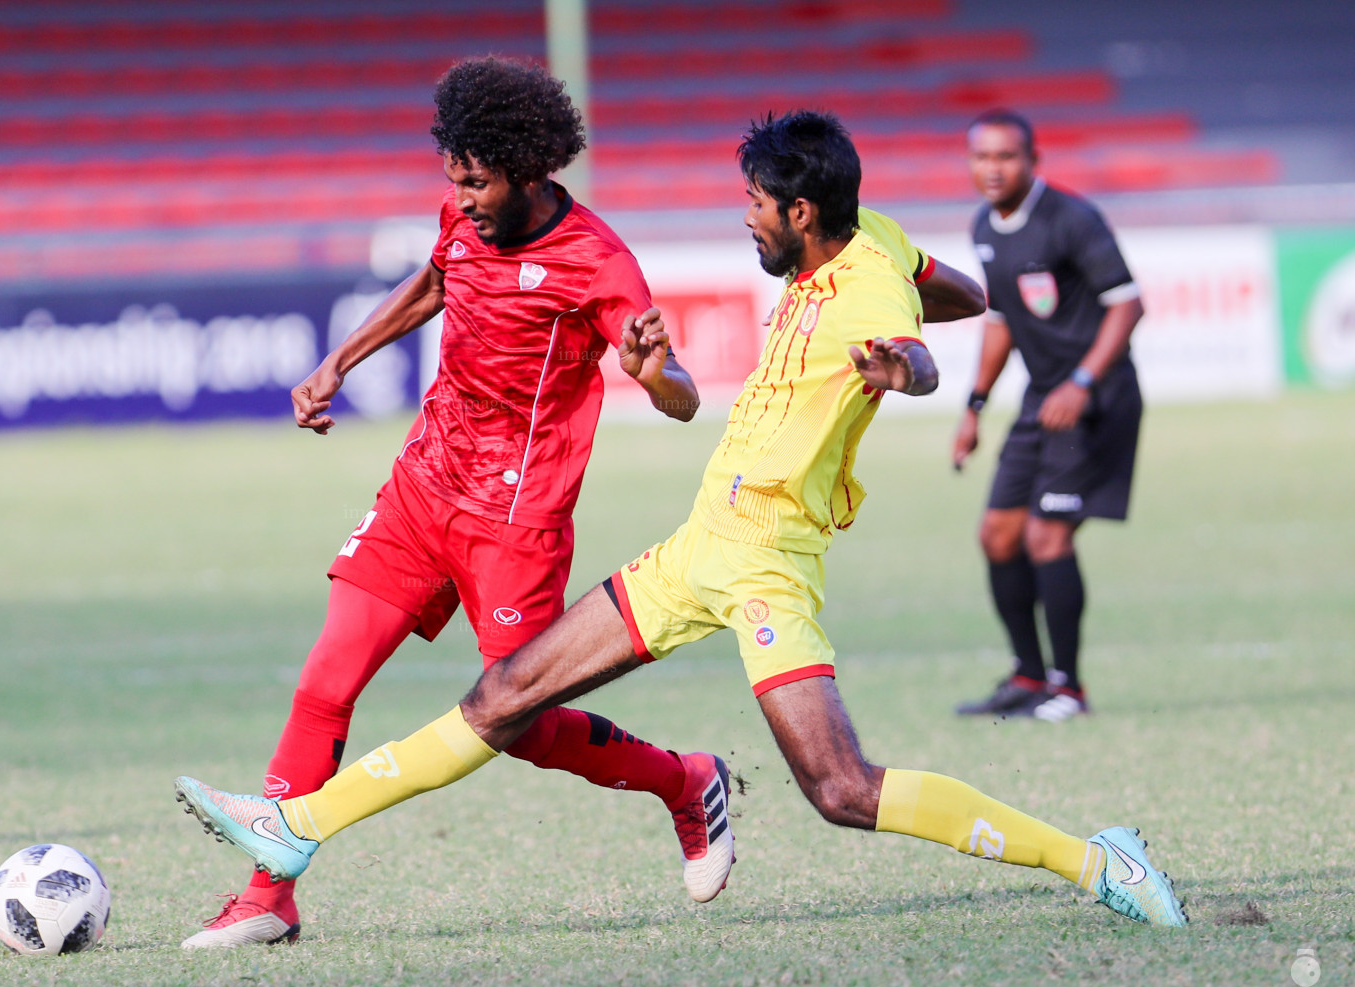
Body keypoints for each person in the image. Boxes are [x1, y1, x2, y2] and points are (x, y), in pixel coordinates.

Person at [174, 110, 1187, 930]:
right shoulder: (874, 236)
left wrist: (907, 366)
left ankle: (1092, 858)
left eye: (752, 205)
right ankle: (296, 828)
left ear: (797, 209)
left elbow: (906, 341)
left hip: (764, 565)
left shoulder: (864, 283)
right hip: (698, 543)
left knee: (839, 788)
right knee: (504, 693)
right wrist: (942, 313)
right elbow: (949, 288)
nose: (741, 220)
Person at [179, 56, 733, 949]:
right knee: (327, 679)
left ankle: (684, 781)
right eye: (453, 178)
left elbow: (682, 395)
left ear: (529, 168)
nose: (462, 197)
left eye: (476, 182)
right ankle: (265, 897)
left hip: (515, 521)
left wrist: (651, 370)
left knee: (518, 724)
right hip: (421, 487)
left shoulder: (596, 261)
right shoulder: (459, 216)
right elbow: (437, 281)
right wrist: (338, 362)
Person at [951, 110, 1146, 722]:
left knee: (1046, 535)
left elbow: (1128, 305)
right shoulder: (984, 225)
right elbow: (1003, 321)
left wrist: (1083, 382)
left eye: (1005, 157)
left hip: (1097, 399)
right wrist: (974, 406)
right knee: (998, 535)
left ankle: (1069, 689)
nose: (992, 169)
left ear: (1033, 160)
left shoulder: (1073, 218)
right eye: (982, 157)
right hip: (1042, 402)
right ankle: (1028, 676)